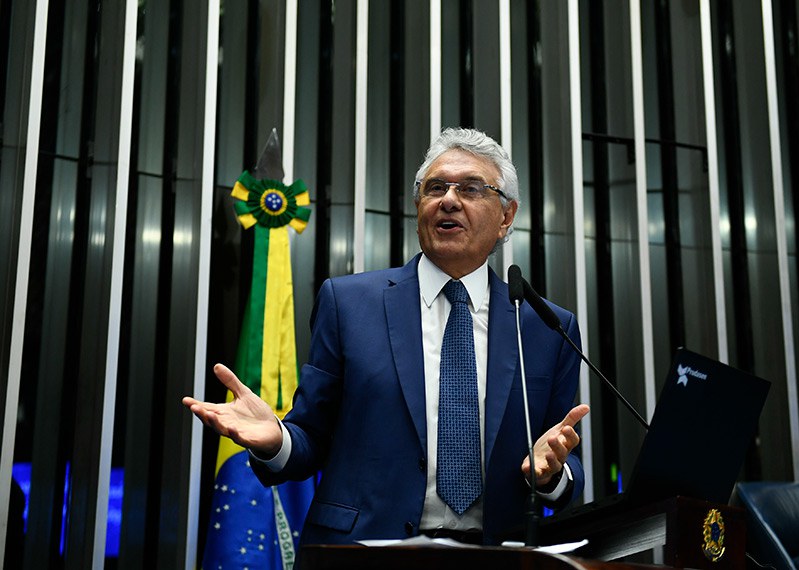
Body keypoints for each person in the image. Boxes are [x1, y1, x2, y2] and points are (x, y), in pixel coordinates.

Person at [184, 127, 589, 549]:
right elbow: (309, 438)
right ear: (419, 207)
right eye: (435, 188)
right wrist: (276, 441)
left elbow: (563, 456)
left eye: (471, 189)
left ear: (506, 216)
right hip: (364, 555)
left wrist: (553, 474)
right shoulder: (348, 304)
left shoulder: (546, 328)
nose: (449, 200)